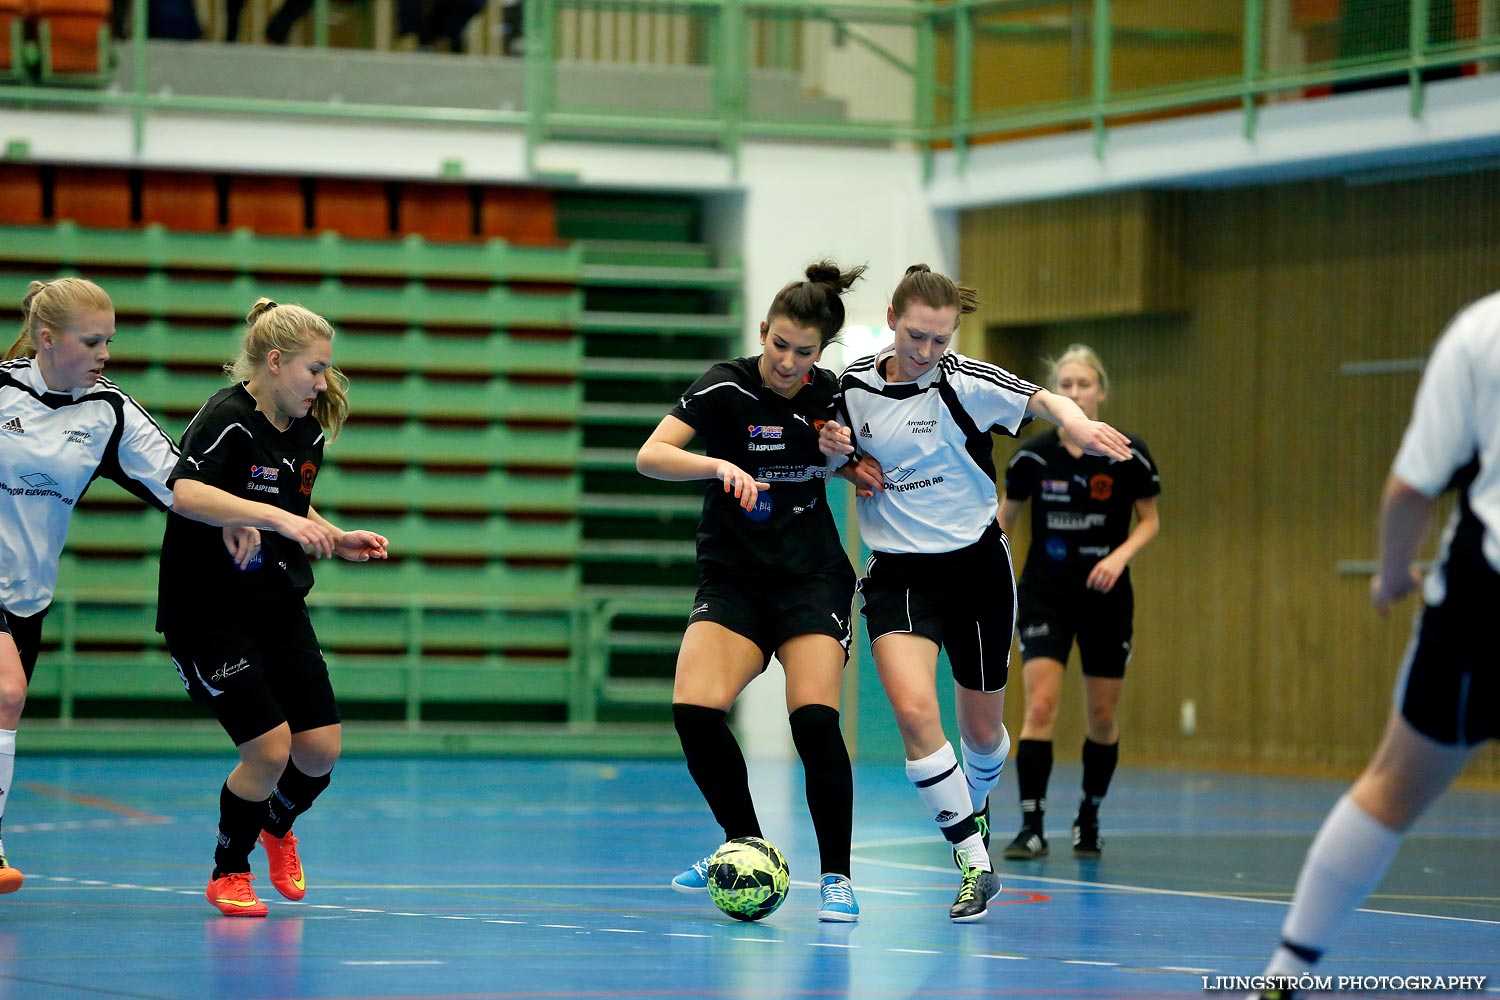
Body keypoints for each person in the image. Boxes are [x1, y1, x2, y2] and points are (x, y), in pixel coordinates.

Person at [818, 265, 1132, 921]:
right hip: (900, 572)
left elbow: (1046, 399)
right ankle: (974, 862)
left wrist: (1076, 422)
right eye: (915, 336)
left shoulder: (968, 382)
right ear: (893, 318)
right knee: (912, 712)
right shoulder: (850, 387)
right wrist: (842, 462)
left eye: (940, 339)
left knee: (982, 735)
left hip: (977, 570)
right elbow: (818, 449)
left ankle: (977, 803)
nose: (927, 352)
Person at [1251, 293, 1500, 999]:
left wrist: (1393, 575)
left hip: (1486, 599)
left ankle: (1282, 979)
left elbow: (1411, 488)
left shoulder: (1482, 331)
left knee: (1396, 782)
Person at [0, 277, 253, 894]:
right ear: (45, 337)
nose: (104, 354)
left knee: (5, 705)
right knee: (6, 693)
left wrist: (240, 516)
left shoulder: (107, 410)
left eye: (109, 341)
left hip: (27, 593)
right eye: (92, 342)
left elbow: (178, 483)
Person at [636, 260, 867, 922]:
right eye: (780, 346)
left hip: (810, 579)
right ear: (763, 331)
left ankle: (836, 879)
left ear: (822, 353)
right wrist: (717, 464)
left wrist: (840, 456)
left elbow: (866, 471)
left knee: (814, 719)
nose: (789, 363)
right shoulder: (724, 387)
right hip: (735, 580)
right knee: (694, 708)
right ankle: (745, 843)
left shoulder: (831, 397)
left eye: (805, 352)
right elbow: (650, 455)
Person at [157, 299, 389, 918]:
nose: (322, 384)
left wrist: (334, 536)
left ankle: (276, 825)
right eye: (315, 370)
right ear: (276, 360)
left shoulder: (306, 431)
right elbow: (185, 492)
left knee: (320, 750)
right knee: (268, 749)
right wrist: (270, 517)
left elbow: (291, 506)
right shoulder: (227, 418)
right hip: (207, 611)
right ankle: (228, 871)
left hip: (277, 604)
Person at [997, 344, 1160, 861]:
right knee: (1040, 706)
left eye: (1083, 384)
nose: (1073, 392)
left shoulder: (1127, 452)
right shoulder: (1032, 457)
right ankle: (1031, 824)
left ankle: (1088, 817)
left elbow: (1150, 521)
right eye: (1064, 384)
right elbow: (1005, 522)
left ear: (1101, 391)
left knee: (1102, 715)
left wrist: (1119, 557)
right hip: (1046, 595)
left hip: (1106, 599)